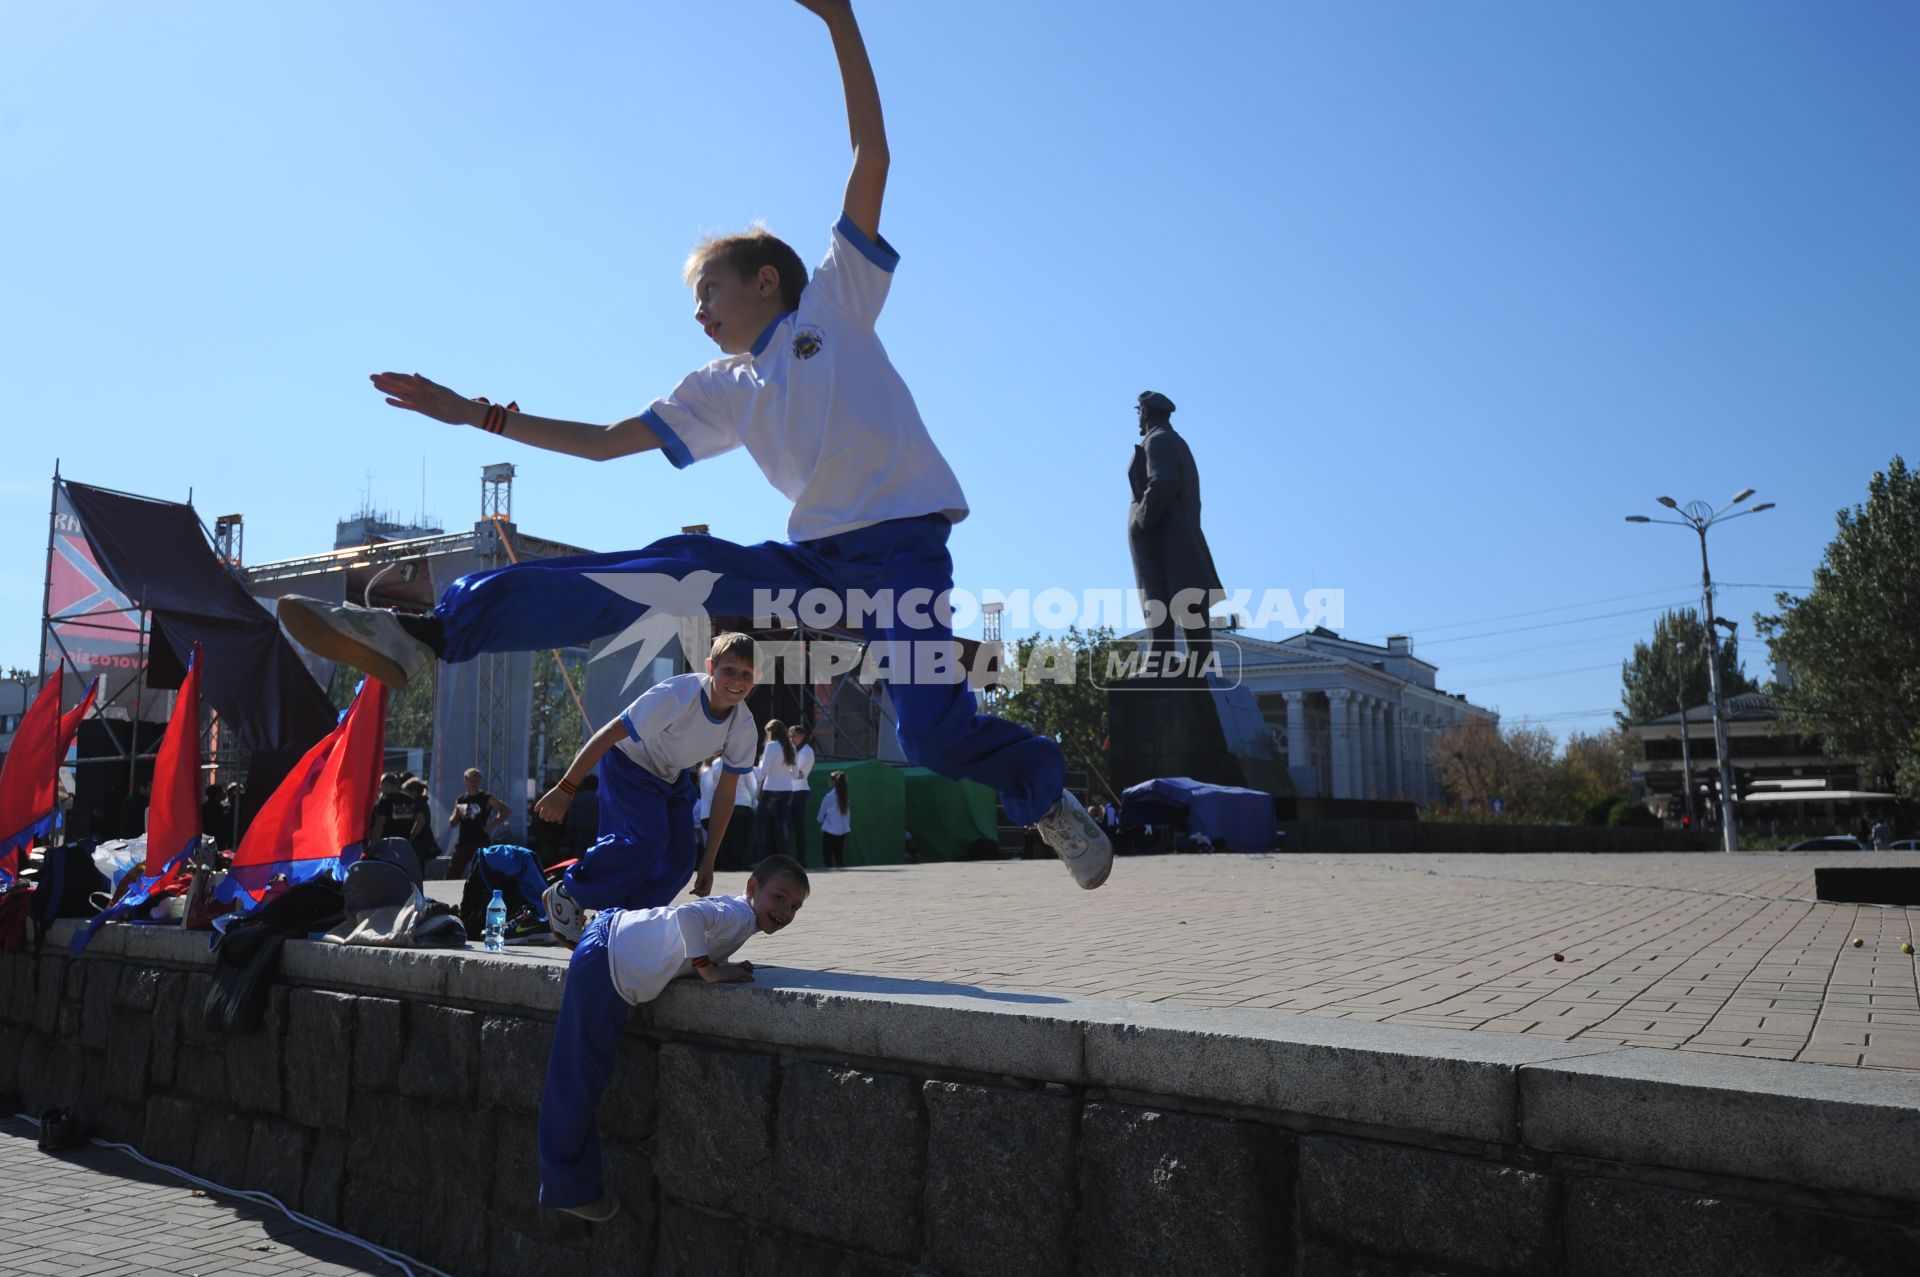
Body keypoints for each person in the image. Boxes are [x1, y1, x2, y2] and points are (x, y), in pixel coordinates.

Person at [278, 0, 1110, 893]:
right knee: (670, 565)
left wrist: (838, 21)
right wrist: (476, 414)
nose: (699, 310)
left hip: (905, 556)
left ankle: (1045, 793)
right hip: (817, 565)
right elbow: (603, 443)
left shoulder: (834, 304)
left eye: (710, 289)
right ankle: (432, 633)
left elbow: (873, 155)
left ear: (765, 280)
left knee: (941, 736)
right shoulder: (720, 389)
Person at [538, 853, 808, 1221]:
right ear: (752, 887)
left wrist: (714, 965)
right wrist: (708, 970)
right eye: (779, 897)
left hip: (609, 943)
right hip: (606, 961)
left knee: (581, 1073)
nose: (785, 911)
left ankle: (571, 1184)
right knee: (577, 1077)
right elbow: (687, 915)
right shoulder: (740, 916)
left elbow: (690, 933)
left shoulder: (739, 914)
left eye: (794, 906)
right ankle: (565, 1187)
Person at [532, 633, 759, 945]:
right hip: (630, 764)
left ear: (755, 679)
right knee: (647, 840)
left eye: (746, 674)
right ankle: (568, 893)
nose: (736, 681)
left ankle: (622, 922)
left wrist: (709, 861)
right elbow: (608, 733)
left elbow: (725, 793)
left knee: (680, 860)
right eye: (728, 670)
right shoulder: (679, 694)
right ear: (711, 667)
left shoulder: (743, 726)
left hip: (671, 777)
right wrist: (566, 787)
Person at [754, 719, 814, 860]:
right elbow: (794, 773)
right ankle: (782, 858)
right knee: (782, 826)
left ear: (770, 732)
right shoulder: (790, 747)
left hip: (771, 788)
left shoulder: (771, 746)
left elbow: (764, 771)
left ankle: (761, 858)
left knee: (760, 824)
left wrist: (758, 766)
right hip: (787, 790)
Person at [448, 768, 510, 881]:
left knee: (482, 873)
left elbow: (506, 810)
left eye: (476, 780)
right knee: (452, 874)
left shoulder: (485, 797)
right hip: (464, 841)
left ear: (480, 781)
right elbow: (453, 823)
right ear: (465, 781)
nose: (473, 783)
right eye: (471, 780)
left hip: (480, 841)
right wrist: (456, 813)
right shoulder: (461, 799)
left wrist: (491, 825)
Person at [816, 770, 851, 868]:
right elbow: (848, 816)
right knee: (839, 856)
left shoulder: (829, 797)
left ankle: (830, 876)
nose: (828, 781)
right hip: (842, 831)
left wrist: (820, 820)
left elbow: (820, 815)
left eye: (830, 780)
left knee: (827, 855)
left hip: (830, 831)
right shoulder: (845, 797)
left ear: (833, 782)